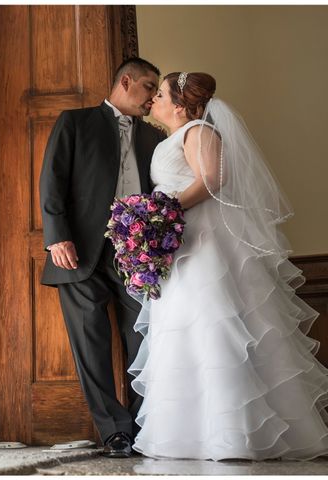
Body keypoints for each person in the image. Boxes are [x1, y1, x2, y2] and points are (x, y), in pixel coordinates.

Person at [128, 71, 328, 460]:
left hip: (205, 247)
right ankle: (194, 433)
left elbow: (213, 179)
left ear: (181, 104)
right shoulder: (174, 137)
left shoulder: (198, 132)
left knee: (215, 328)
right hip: (183, 245)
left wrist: (164, 213)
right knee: (187, 333)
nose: (154, 101)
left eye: (162, 95)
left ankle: (235, 434)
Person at [39, 57, 166, 458]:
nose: (152, 98)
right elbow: (52, 180)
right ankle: (115, 432)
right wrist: (57, 237)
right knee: (89, 343)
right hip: (77, 251)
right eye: (149, 87)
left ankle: (145, 427)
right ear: (126, 82)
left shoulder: (153, 138)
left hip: (136, 254)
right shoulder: (74, 122)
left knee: (143, 339)